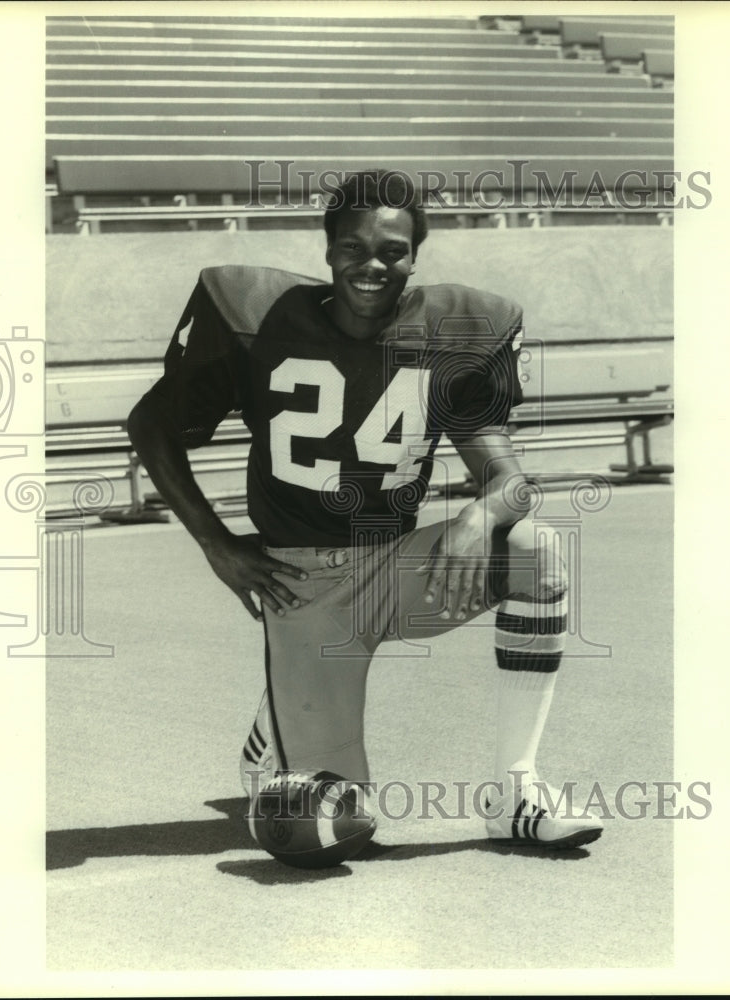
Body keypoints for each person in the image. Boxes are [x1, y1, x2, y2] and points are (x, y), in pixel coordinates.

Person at [127, 169, 603, 852]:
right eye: (353, 247)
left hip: (399, 569)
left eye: (392, 251)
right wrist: (216, 543)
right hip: (301, 586)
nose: (371, 264)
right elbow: (151, 425)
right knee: (326, 828)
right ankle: (279, 729)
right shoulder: (257, 315)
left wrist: (481, 514)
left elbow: (509, 478)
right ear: (327, 250)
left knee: (539, 550)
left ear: (415, 256)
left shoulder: (457, 332)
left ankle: (516, 789)